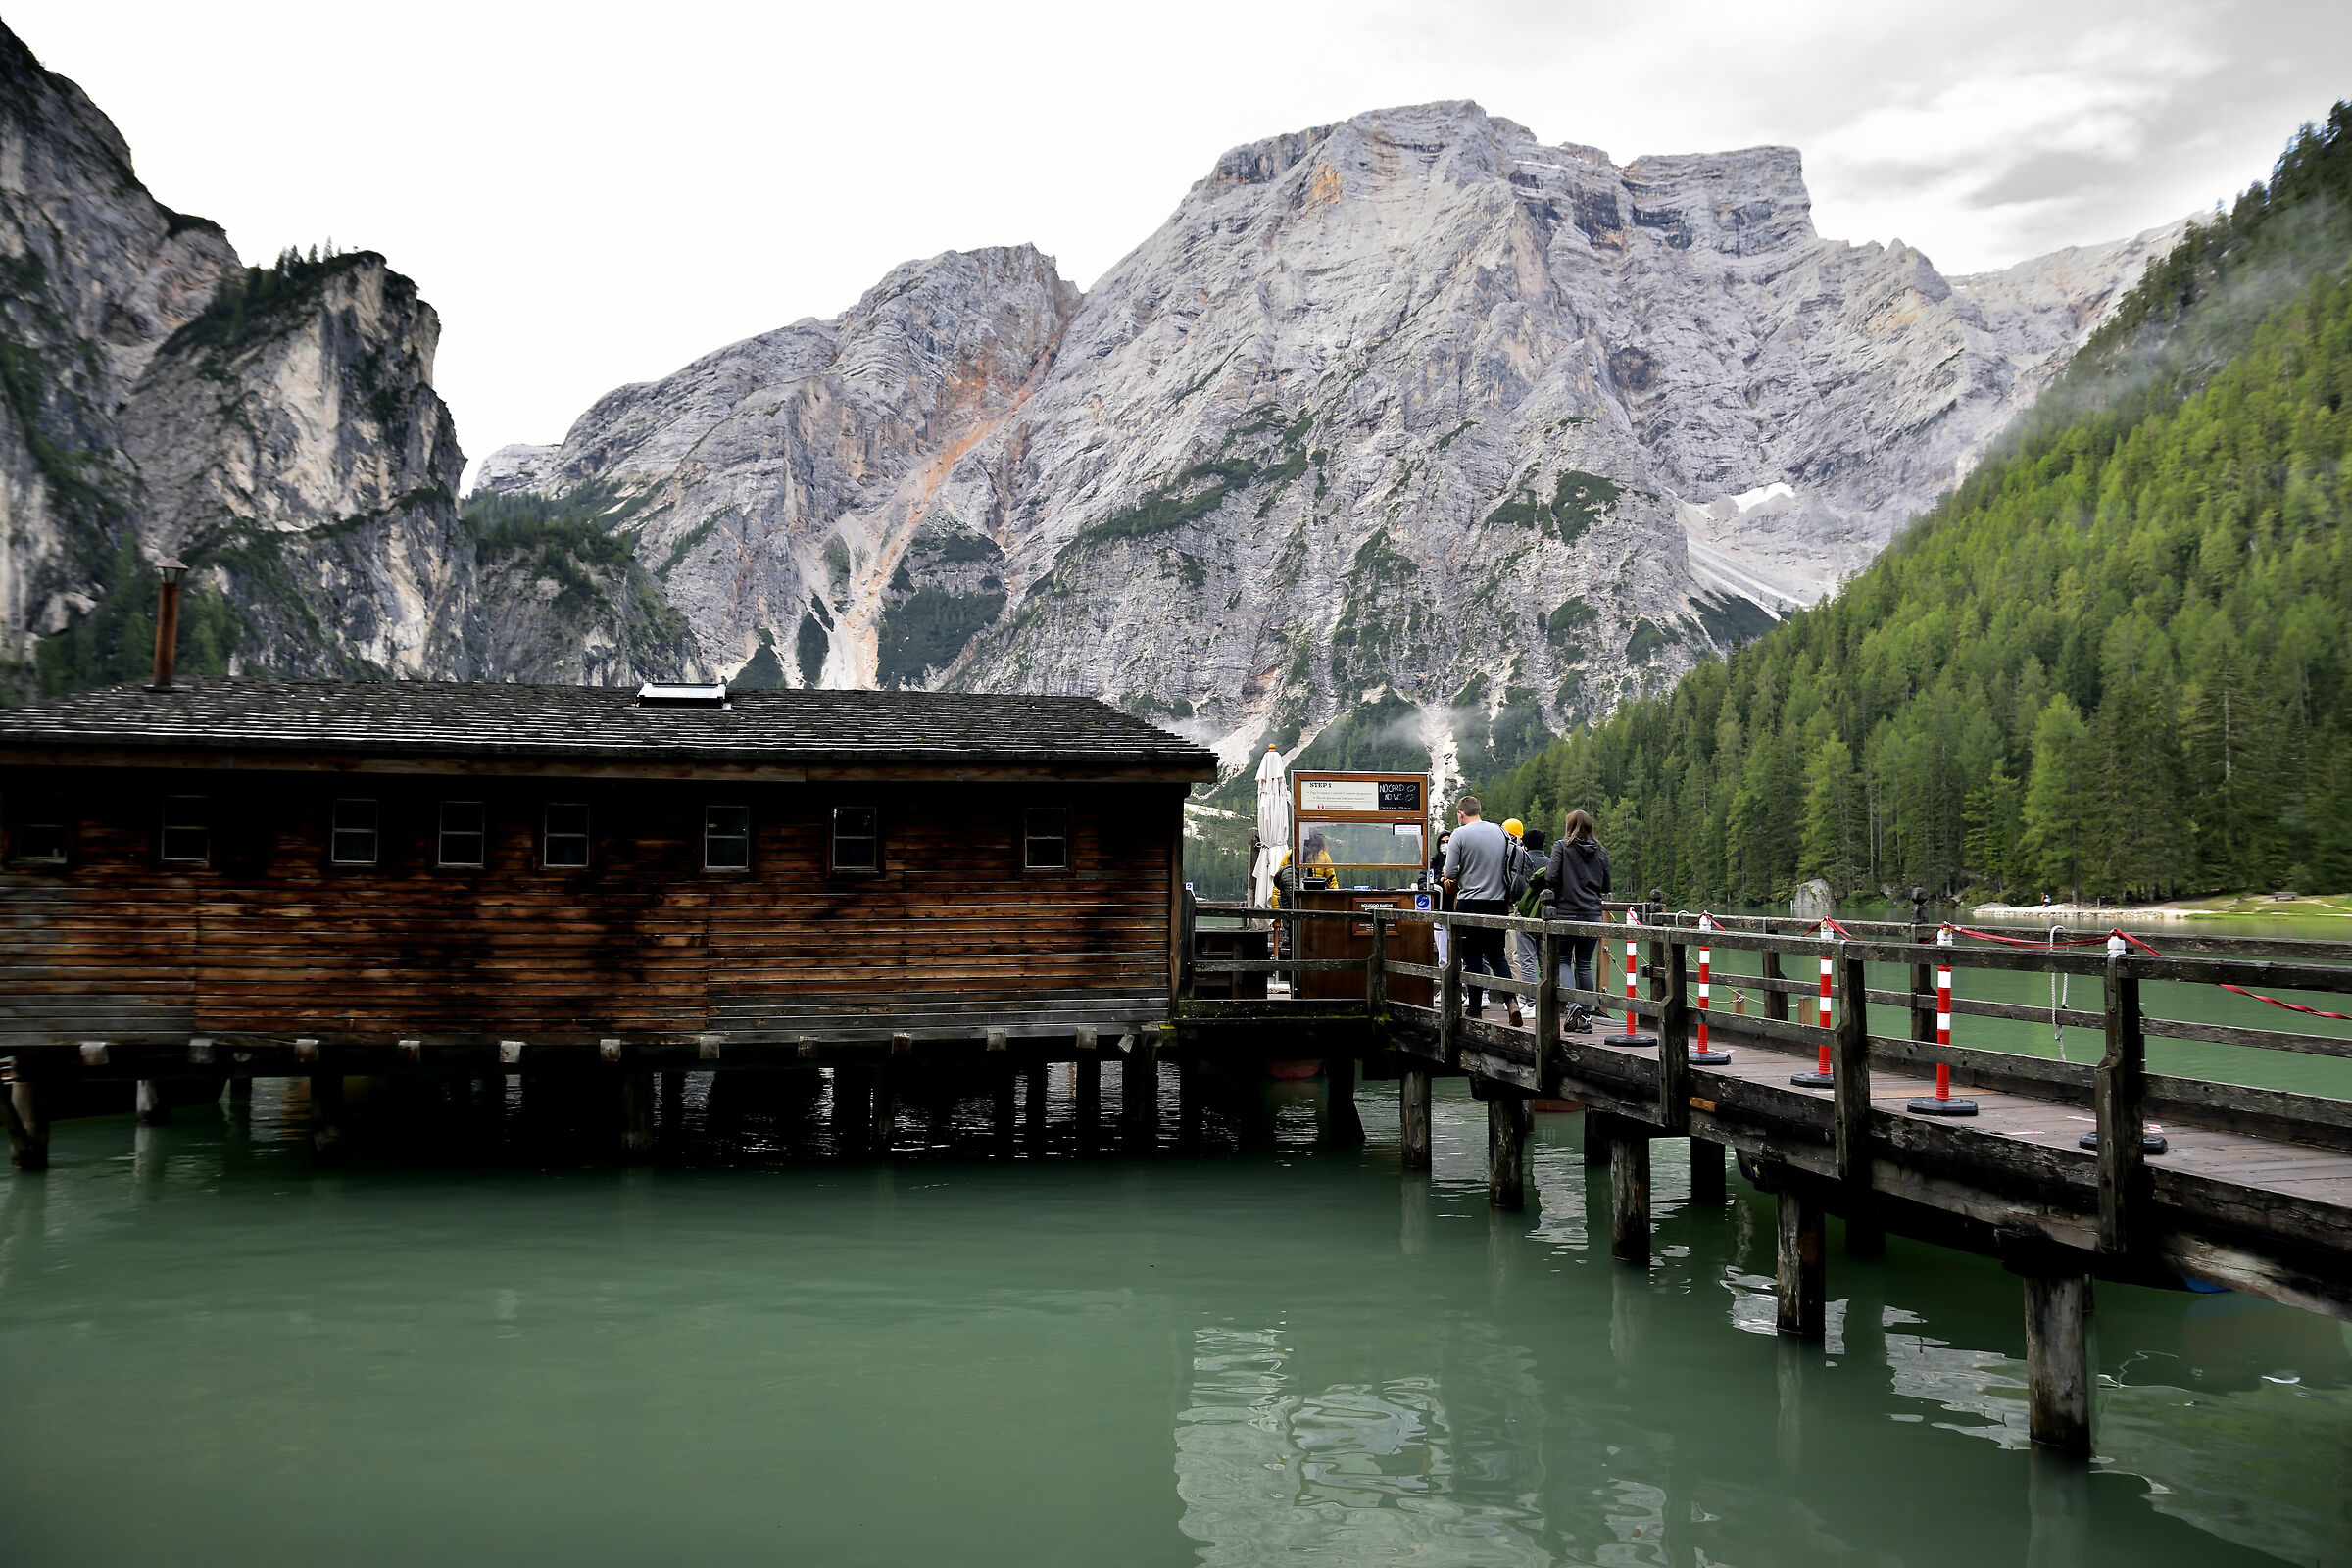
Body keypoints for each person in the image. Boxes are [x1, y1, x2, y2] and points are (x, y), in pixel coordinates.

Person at [1441, 795, 1519, 1027]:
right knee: (1497, 956)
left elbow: (1451, 870)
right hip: (1498, 904)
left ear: (1460, 814)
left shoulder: (1460, 834)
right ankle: (1511, 1001)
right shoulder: (1501, 832)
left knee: (1472, 958)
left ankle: (1474, 1009)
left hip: (1471, 904)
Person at [1541, 808, 1611, 1024]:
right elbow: (1606, 885)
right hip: (1592, 914)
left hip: (1566, 913)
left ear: (1569, 825)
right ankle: (1586, 1014)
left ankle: (1573, 1006)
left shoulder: (1562, 846)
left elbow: (1551, 878)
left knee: (1562, 960)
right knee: (1583, 964)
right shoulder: (1601, 850)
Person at [1512, 825, 1548, 985]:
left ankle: (1530, 1002)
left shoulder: (1521, 861)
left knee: (1526, 961)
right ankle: (1546, 1001)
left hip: (1525, 915)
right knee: (1544, 962)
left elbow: (1515, 887)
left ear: (1524, 845)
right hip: (1546, 916)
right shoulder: (1551, 863)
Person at [1427, 829, 1452, 965]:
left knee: (1459, 953)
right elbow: (1423, 882)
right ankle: (1444, 983)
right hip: (1439, 911)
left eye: (1448, 842)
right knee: (1443, 955)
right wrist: (1440, 880)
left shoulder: (1459, 860)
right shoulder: (1433, 861)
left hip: (1456, 910)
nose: (1445, 845)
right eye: (1442, 842)